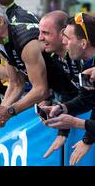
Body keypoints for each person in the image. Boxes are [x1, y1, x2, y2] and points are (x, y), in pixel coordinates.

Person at [0, 0, 77, 131]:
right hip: (69, 95)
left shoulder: (24, 42)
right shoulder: (1, 42)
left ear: (1, 21)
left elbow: (41, 90)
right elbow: (16, 84)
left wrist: (9, 112)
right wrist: (0, 112)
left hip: (76, 93)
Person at [43, 12, 95, 165]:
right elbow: (88, 100)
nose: (63, 42)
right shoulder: (86, 64)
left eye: (67, 38)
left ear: (83, 43)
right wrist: (62, 108)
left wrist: (78, 126)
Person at [38, 11, 80, 158]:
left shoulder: (80, 54)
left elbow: (87, 96)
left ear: (63, 34)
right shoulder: (53, 56)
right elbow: (69, 92)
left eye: (46, 33)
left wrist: (87, 140)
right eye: (39, 32)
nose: (40, 38)